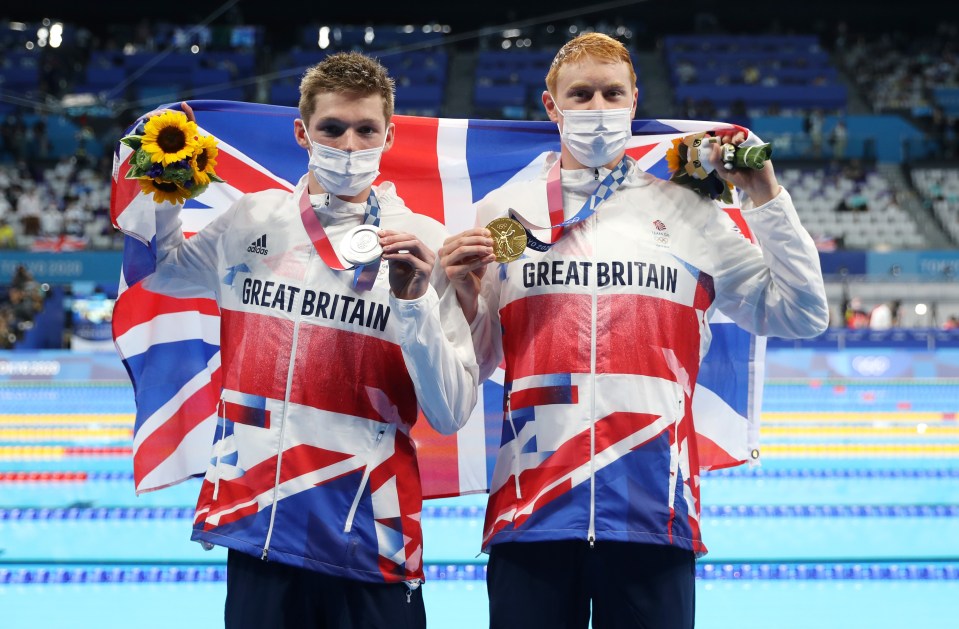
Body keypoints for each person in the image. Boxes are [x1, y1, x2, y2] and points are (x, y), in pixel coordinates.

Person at [439, 32, 828, 629]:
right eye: (582, 94)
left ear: (633, 101)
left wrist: (765, 196)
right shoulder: (506, 212)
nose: (597, 108)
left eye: (611, 93)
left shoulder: (689, 211)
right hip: (532, 507)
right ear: (551, 105)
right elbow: (485, 359)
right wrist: (465, 298)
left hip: (654, 508)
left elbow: (802, 313)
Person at [140, 52, 478, 628]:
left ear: (389, 135)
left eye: (366, 129)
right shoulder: (251, 219)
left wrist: (415, 300)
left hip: (371, 528)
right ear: (302, 132)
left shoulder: (423, 240)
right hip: (260, 521)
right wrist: (161, 182)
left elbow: (451, 413)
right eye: (333, 128)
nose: (349, 145)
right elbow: (160, 269)